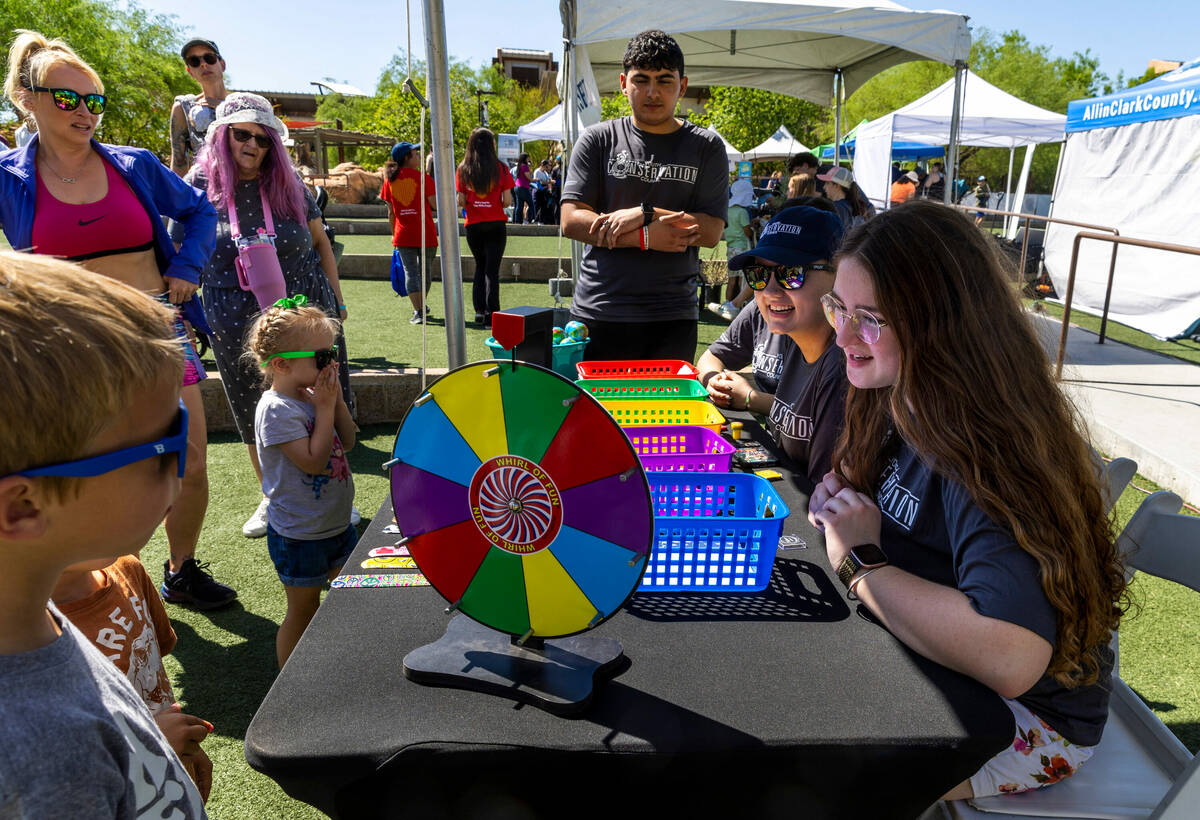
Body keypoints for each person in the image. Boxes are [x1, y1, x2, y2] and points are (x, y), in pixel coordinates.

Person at [808, 200, 1127, 800]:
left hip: (1025, 721)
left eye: (870, 317)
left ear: (942, 325)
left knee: (807, 777)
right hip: (941, 671)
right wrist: (848, 503)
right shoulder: (903, 394)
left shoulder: (989, 450)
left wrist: (859, 562)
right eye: (840, 308)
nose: (844, 334)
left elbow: (1010, 656)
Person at [0, 29, 236, 610]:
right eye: (68, 99)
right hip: (67, 346)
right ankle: (83, 583)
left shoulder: (135, 164)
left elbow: (199, 210)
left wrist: (186, 266)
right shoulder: (8, 178)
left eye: (94, 101)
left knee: (190, 459)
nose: (85, 112)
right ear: (28, 99)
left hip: (160, 331)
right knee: (82, 467)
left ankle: (181, 569)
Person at [0, 252, 207, 817]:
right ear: (22, 507)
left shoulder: (33, 614)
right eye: (166, 441)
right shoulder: (44, 754)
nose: (189, 456)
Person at [174, 92, 356, 540]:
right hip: (234, 314)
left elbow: (320, 244)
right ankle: (273, 496)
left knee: (323, 393)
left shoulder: (288, 182)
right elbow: (178, 250)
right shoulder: (197, 184)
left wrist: (335, 301)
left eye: (263, 137)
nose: (253, 144)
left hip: (306, 310)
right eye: (242, 134)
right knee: (251, 404)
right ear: (222, 136)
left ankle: (332, 489)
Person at [561, 29, 726, 362]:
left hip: (671, 316)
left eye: (665, 81)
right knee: (595, 413)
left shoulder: (706, 147)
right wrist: (647, 237)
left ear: (682, 85)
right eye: (641, 80)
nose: (653, 92)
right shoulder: (597, 139)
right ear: (624, 83)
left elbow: (710, 232)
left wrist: (647, 212)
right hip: (599, 309)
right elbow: (572, 220)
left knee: (666, 415)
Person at [247, 297, 357, 667]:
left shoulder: (315, 396)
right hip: (300, 534)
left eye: (332, 354)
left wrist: (335, 402)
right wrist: (324, 408)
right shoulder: (276, 410)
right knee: (303, 611)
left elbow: (350, 440)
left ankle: (334, 663)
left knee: (348, 600)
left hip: (336, 524)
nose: (331, 363)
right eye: (322, 357)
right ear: (281, 365)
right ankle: (287, 686)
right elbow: (312, 462)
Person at [52, 555, 215, 801]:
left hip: (174, 778)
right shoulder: (20, 643)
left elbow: (153, 667)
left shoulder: (127, 570)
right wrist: (149, 745)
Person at [711, 206, 848, 490]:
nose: (770, 291)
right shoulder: (799, 338)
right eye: (758, 274)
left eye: (791, 272)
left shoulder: (844, 368)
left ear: (839, 273)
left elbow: (825, 496)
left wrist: (750, 399)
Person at [456, 127, 514, 327]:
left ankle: (479, 311)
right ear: (491, 145)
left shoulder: (463, 168)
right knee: (492, 270)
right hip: (496, 224)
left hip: (473, 225)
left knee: (480, 267)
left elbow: (461, 201)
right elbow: (507, 201)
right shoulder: (501, 168)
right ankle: (492, 315)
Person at [381, 140, 437, 325]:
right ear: (407, 157)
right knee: (425, 273)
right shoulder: (424, 178)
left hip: (403, 234)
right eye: (416, 153)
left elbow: (390, 212)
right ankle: (421, 308)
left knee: (411, 273)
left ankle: (419, 310)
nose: (420, 156)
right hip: (426, 233)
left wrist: (393, 233)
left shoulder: (390, 181)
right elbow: (435, 205)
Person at [170, 38, 228, 178]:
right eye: (195, 61)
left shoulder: (243, 105)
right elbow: (179, 162)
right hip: (204, 192)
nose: (203, 64)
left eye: (209, 58)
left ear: (222, 64)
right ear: (190, 71)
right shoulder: (184, 107)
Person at [707, 176, 755, 321]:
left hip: (730, 248)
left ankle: (727, 305)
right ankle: (739, 307)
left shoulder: (728, 210)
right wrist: (753, 228)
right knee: (742, 279)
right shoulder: (742, 212)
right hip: (742, 248)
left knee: (731, 280)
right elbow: (747, 231)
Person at [816, 165, 866, 232]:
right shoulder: (850, 206)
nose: (824, 187)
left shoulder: (837, 208)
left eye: (827, 183)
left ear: (837, 186)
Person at [512, 152, 534, 224]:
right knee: (531, 204)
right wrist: (535, 179)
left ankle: (517, 222)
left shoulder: (519, 166)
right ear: (525, 158)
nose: (529, 159)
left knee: (519, 206)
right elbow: (529, 178)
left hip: (517, 187)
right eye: (528, 158)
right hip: (523, 187)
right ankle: (530, 220)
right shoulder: (525, 166)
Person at [533, 159, 553, 224]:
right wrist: (549, 182)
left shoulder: (545, 173)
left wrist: (549, 182)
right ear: (543, 165)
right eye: (547, 166)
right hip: (538, 191)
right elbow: (539, 182)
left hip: (544, 191)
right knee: (537, 206)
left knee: (543, 206)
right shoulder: (537, 171)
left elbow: (547, 180)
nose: (547, 167)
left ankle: (540, 220)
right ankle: (536, 220)